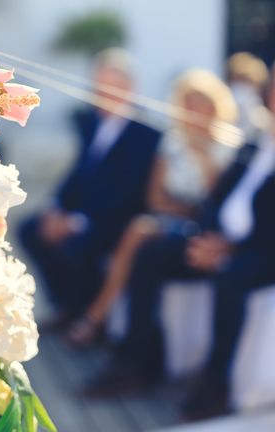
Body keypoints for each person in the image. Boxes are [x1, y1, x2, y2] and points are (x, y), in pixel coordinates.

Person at [86, 69, 275, 422]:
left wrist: (230, 250)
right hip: (219, 238)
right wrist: (206, 235)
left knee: (231, 277)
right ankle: (138, 362)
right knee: (151, 254)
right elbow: (218, 197)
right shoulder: (256, 141)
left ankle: (215, 385)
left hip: (260, 253)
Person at [66, 70, 237, 346]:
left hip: (197, 227)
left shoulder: (227, 149)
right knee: (135, 232)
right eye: (190, 105)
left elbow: (213, 199)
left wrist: (201, 156)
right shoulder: (172, 142)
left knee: (138, 231)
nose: (196, 112)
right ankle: (100, 318)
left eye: (203, 105)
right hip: (165, 219)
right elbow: (155, 197)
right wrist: (183, 206)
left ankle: (95, 316)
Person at [19, 49, 161, 325]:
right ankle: (66, 306)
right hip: (83, 214)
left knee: (79, 246)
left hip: (116, 220)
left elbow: (129, 192)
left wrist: (76, 222)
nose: (103, 94)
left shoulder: (145, 132)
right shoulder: (94, 124)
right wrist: (55, 209)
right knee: (30, 229)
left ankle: (87, 315)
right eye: (99, 87)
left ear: (129, 88)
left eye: (111, 87)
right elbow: (78, 174)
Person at [227, 52, 269, 140]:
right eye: (240, 80)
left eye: (248, 82)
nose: (244, 88)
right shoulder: (220, 112)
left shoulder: (264, 120)